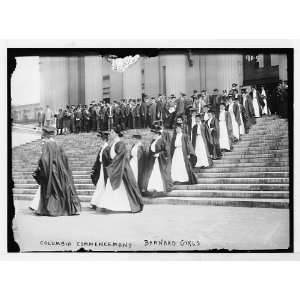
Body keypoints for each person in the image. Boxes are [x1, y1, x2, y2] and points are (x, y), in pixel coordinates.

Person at [30, 126, 81, 216]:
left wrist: (39, 168)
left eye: (43, 132)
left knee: (50, 189)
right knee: (58, 189)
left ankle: (50, 209)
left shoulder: (47, 144)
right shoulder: (57, 144)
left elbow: (44, 159)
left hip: (51, 170)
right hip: (59, 170)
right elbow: (64, 158)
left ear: (46, 134)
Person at [99, 127, 143, 213]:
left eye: (112, 132)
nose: (110, 134)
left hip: (121, 169)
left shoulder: (120, 144)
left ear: (116, 133)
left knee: (123, 187)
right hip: (115, 167)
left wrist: (113, 166)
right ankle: (110, 205)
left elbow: (120, 157)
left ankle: (125, 206)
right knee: (111, 185)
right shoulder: (114, 143)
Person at [146, 125, 173, 194]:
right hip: (153, 160)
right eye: (153, 134)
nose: (153, 135)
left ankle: (161, 189)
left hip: (160, 161)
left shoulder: (162, 140)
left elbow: (167, 151)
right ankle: (155, 189)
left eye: (154, 134)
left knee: (159, 173)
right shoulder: (153, 141)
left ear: (158, 134)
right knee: (154, 173)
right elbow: (151, 150)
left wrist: (159, 154)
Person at [90, 131, 111, 209]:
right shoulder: (102, 148)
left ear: (104, 140)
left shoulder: (108, 148)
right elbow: (98, 160)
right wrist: (94, 169)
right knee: (100, 185)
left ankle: (99, 202)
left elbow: (109, 160)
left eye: (101, 139)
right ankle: (96, 202)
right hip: (101, 168)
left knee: (103, 185)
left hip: (105, 170)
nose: (99, 141)